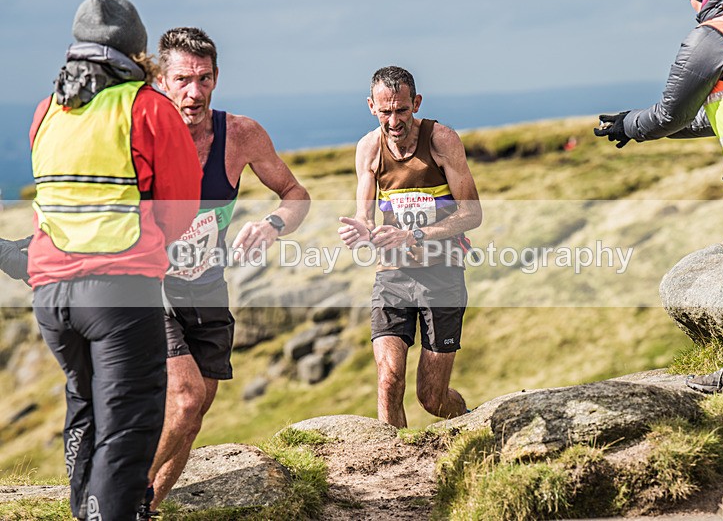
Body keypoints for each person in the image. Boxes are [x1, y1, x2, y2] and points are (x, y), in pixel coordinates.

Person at [28, 0, 201, 520]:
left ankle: (86, 511)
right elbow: (179, 211)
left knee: (86, 407)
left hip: (51, 295)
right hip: (120, 292)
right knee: (128, 423)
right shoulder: (148, 108)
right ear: (138, 50)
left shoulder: (47, 111)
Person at [595, 0, 723, 399]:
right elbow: (722, 112)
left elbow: (672, 113)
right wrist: (639, 128)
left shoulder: (715, 36)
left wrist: (629, 125)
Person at [147, 27, 310, 509]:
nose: (192, 92)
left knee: (192, 417)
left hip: (208, 290)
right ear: (161, 79)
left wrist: (272, 225)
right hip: (149, 287)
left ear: (216, 78)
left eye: (203, 79)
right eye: (181, 79)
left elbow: (296, 195)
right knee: (186, 400)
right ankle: (111, 498)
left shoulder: (241, 135)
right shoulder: (141, 135)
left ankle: (145, 506)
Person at [338, 66, 482, 427]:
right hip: (393, 275)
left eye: (401, 110)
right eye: (385, 111)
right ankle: (396, 471)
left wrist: (416, 235)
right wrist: (361, 229)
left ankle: (470, 423)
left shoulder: (441, 140)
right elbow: (365, 214)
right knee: (388, 381)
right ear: (372, 106)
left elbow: (472, 214)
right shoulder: (368, 149)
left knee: (432, 399)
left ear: (416, 103)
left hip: (443, 275)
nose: (394, 120)